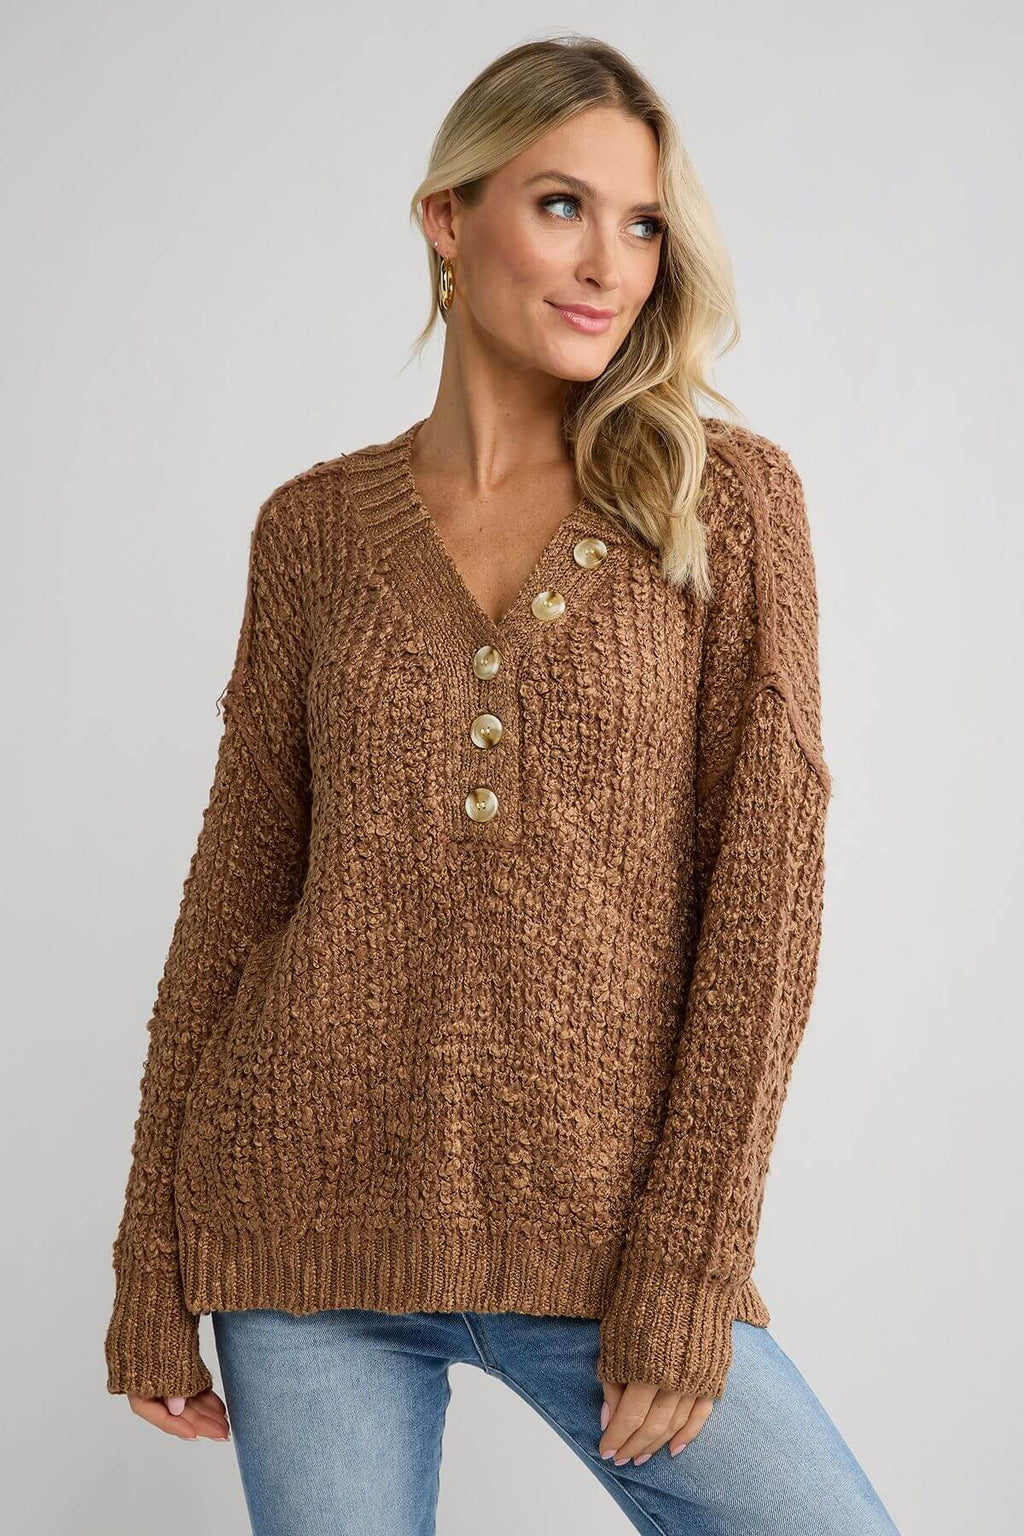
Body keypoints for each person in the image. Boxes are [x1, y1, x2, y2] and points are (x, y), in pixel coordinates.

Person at [104, 33, 901, 1536]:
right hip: (301, 1236)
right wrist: (153, 1253)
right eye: (561, 206)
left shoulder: (726, 502)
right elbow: (235, 898)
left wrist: (691, 1259)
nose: (610, 263)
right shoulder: (313, 534)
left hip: (607, 1240)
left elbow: (766, 900)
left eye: (644, 224)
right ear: (448, 218)